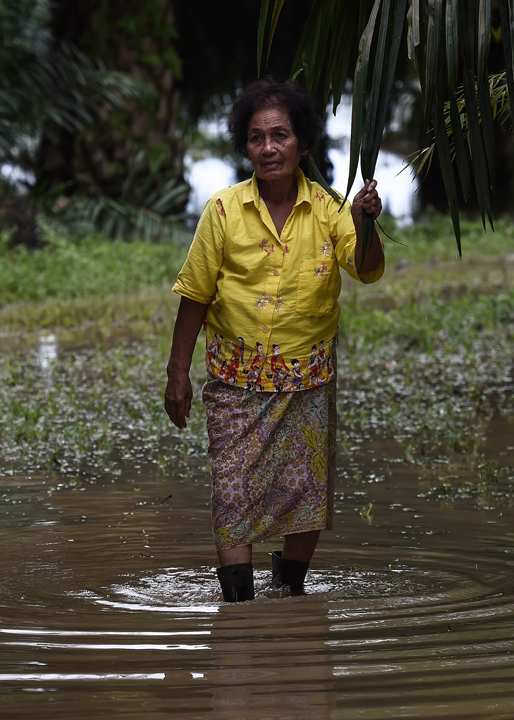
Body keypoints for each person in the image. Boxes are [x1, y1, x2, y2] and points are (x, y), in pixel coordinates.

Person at [164, 79, 385, 602]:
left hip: (307, 380)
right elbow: (194, 296)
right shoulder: (222, 211)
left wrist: (367, 223)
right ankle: (238, 606)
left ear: (303, 144)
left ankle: (288, 593)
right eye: (257, 137)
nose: (268, 148)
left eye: (280, 135)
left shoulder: (331, 212)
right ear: (245, 146)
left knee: (306, 492)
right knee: (232, 492)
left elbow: (367, 270)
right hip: (235, 382)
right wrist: (177, 375)